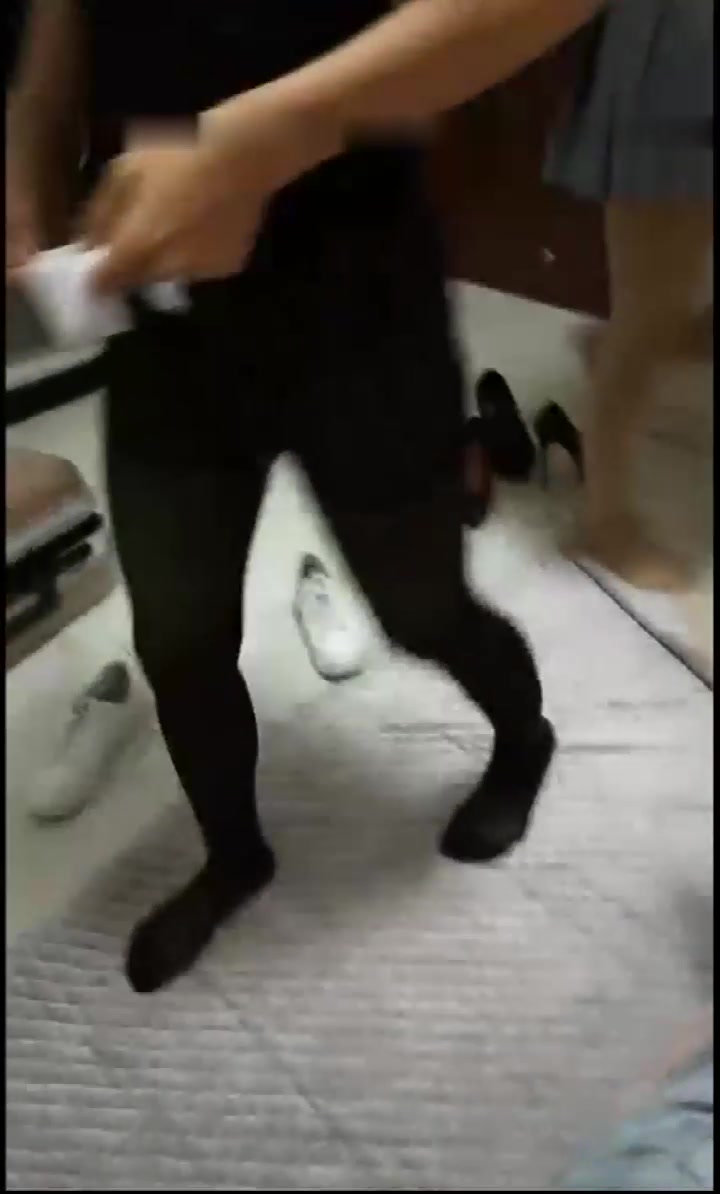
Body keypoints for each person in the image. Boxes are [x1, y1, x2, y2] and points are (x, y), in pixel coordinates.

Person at [7, 0, 599, 994]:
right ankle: (235, 856)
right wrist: (27, 155)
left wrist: (260, 139)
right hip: (162, 294)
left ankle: (524, 740)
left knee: (420, 608)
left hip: (359, 281)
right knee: (178, 640)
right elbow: (60, 31)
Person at [546, 0, 714, 591]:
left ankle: (652, 348)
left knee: (663, 306)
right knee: (652, 304)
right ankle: (606, 519)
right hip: (685, 45)